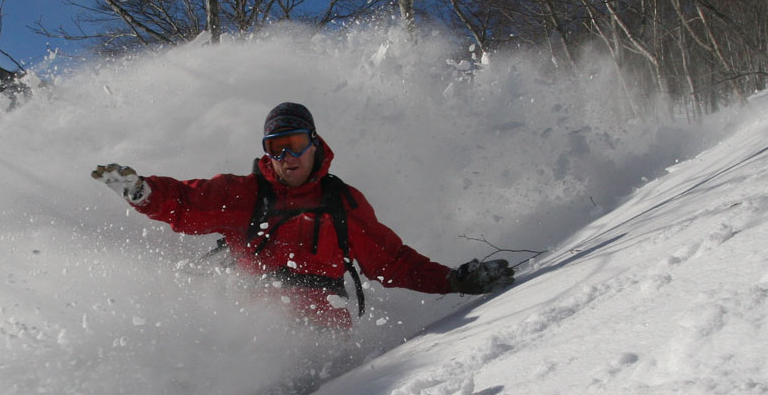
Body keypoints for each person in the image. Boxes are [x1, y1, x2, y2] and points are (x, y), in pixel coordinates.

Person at [92, 102, 514, 330]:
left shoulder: (342, 203)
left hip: (323, 337)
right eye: (276, 147)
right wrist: (144, 193)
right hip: (248, 328)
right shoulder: (245, 194)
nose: (287, 156)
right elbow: (187, 203)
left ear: (314, 143)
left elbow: (393, 262)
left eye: (295, 143)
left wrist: (455, 281)